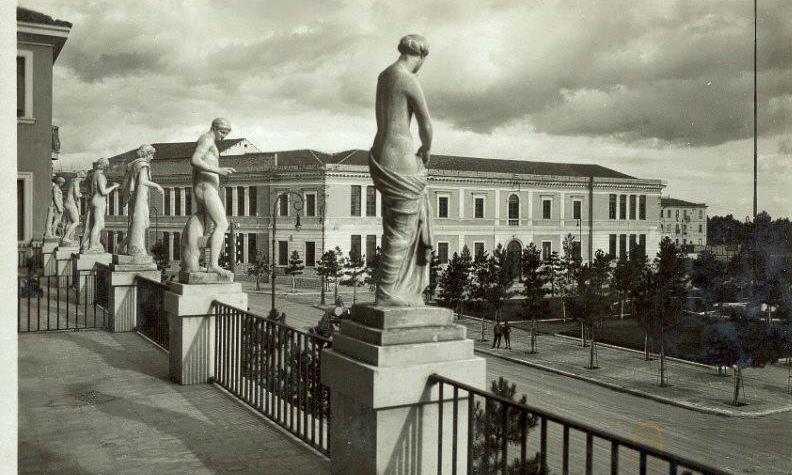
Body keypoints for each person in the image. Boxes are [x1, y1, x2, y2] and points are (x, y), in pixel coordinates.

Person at [370, 34, 432, 307]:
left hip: (380, 153)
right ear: (419, 56)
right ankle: (387, 292)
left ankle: (393, 289)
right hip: (401, 156)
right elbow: (425, 124)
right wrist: (426, 149)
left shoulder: (384, 76)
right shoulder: (408, 78)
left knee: (391, 228)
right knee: (402, 231)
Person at [180, 118, 236, 278]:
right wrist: (219, 171)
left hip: (206, 187)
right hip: (206, 188)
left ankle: (194, 263)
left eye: (227, 133)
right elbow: (195, 160)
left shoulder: (209, 140)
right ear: (215, 128)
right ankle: (213, 265)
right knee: (222, 223)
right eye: (223, 132)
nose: (224, 137)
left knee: (206, 225)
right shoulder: (207, 139)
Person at [119, 144, 164, 257]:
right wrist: (157, 186)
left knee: (136, 221)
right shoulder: (143, 165)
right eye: (152, 154)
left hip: (136, 195)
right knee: (140, 221)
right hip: (140, 195)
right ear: (147, 154)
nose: (152, 158)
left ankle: (122, 246)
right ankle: (136, 249)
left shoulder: (134, 165)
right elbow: (143, 181)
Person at [81, 158, 120, 253]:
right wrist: (114, 186)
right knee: (99, 224)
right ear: (104, 166)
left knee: (94, 224)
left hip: (93, 200)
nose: (107, 167)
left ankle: (94, 244)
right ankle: (92, 246)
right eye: (107, 165)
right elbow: (103, 191)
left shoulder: (93, 175)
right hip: (99, 201)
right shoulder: (101, 176)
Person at [60, 172, 85, 246]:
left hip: (67, 203)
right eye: (83, 179)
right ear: (82, 178)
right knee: (76, 222)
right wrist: (81, 194)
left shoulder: (72, 181)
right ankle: (66, 238)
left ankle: (68, 239)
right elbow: (77, 194)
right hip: (70, 203)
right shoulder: (76, 182)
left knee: (70, 222)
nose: (83, 181)